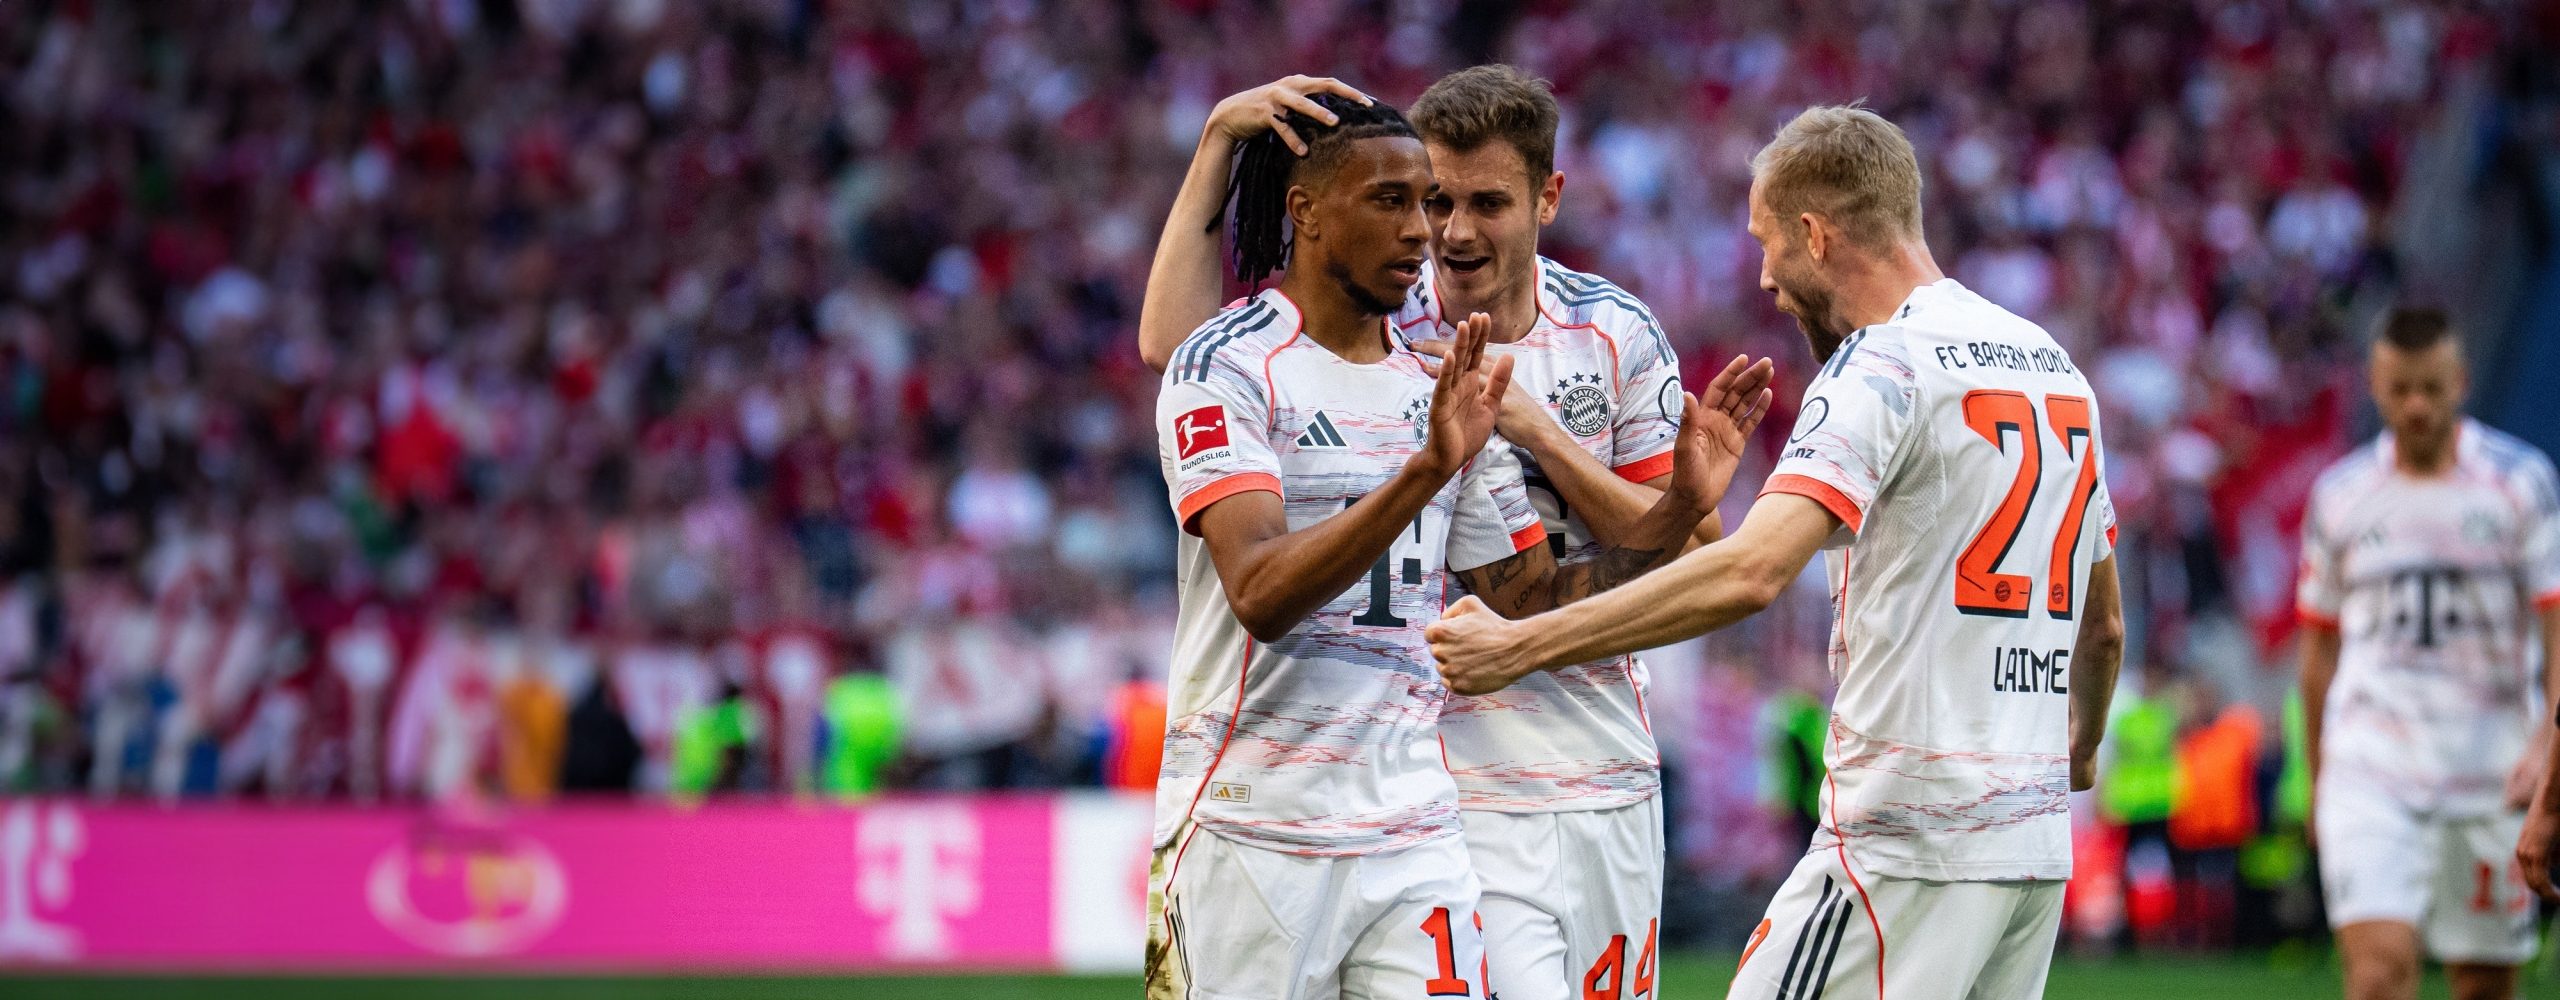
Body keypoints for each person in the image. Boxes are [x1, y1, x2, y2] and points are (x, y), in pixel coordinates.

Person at [1423, 105, 2127, 999]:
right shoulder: (2052, 366)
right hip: (2029, 857)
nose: (1763, 278)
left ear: (1813, 235)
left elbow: (1751, 568)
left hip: (1906, 837)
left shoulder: (1882, 366)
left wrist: (1519, 646)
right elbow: (2100, 627)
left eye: (1766, 244)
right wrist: (2080, 752)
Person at [1136, 69, 1768, 1000]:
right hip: (1422, 774)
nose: (1445, 231)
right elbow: (1182, 348)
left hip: (1590, 764)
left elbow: (1652, 562)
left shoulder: (1607, 335)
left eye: (1483, 204)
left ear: (1547, 199)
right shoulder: (1392, 321)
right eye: (1428, 201)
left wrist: (1570, 453)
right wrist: (1220, 144)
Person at [2302, 308, 2560, 1000]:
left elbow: (2556, 632)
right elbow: (2316, 655)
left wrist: (2544, 745)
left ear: (2461, 383)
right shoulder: (2340, 496)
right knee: (2379, 974)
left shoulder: (2521, 483)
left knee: (2482, 987)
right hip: (2372, 770)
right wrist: (2322, 777)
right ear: (2375, 386)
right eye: (2400, 389)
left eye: (2431, 388)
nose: (2416, 405)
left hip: (2490, 771)